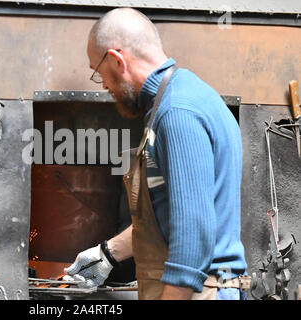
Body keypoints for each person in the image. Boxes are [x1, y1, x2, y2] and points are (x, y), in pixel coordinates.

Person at [63, 7, 248, 300]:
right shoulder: (181, 98)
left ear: (116, 60)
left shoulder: (176, 111)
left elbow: (192, 235)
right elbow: (171, 218)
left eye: (100, 75)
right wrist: (108, 254)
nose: (106, 86)